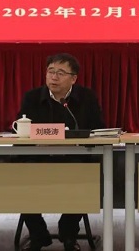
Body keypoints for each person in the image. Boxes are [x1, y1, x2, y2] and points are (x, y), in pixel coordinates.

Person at [17, 53, 105, 251]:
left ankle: (68, 233)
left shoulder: (86, 97)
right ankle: (38, 235)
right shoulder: (32, 97)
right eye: (50, 71)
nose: (54, 77)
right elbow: (19, 129)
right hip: (38, 158)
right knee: (20, 176)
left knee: (85, 176)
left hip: (75, 158)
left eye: (60, 73)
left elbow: (98, 129)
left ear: (73, 78)